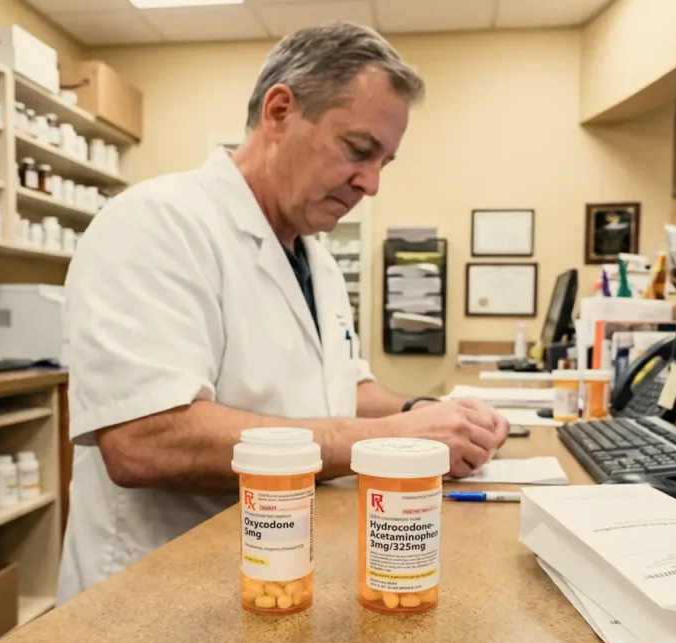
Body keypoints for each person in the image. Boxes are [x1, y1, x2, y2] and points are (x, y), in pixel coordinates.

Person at [57, 21, 509, 604]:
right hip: (162, 592)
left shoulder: (314, 258)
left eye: (384, 163)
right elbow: (145, 438)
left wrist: (429, 414)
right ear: (279, 111)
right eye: (358, 149)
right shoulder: (155, 223)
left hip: (285, 576)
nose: (369, 183)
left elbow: (344, 388)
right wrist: (391, 438)